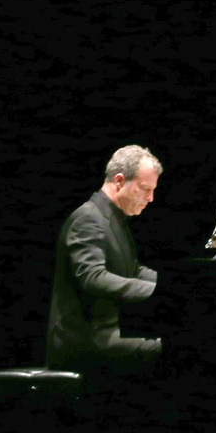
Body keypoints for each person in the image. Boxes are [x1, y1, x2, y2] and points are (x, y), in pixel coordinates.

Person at [45, 145, 164, 371]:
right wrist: (157, 291)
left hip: (109, 332)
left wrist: (174, 284)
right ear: (119, 181)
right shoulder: (88, 219)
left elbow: (132, 270)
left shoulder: (114, 219)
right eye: (145, 189)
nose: (151, 198)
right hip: (83, 339)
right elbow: (93, 277)